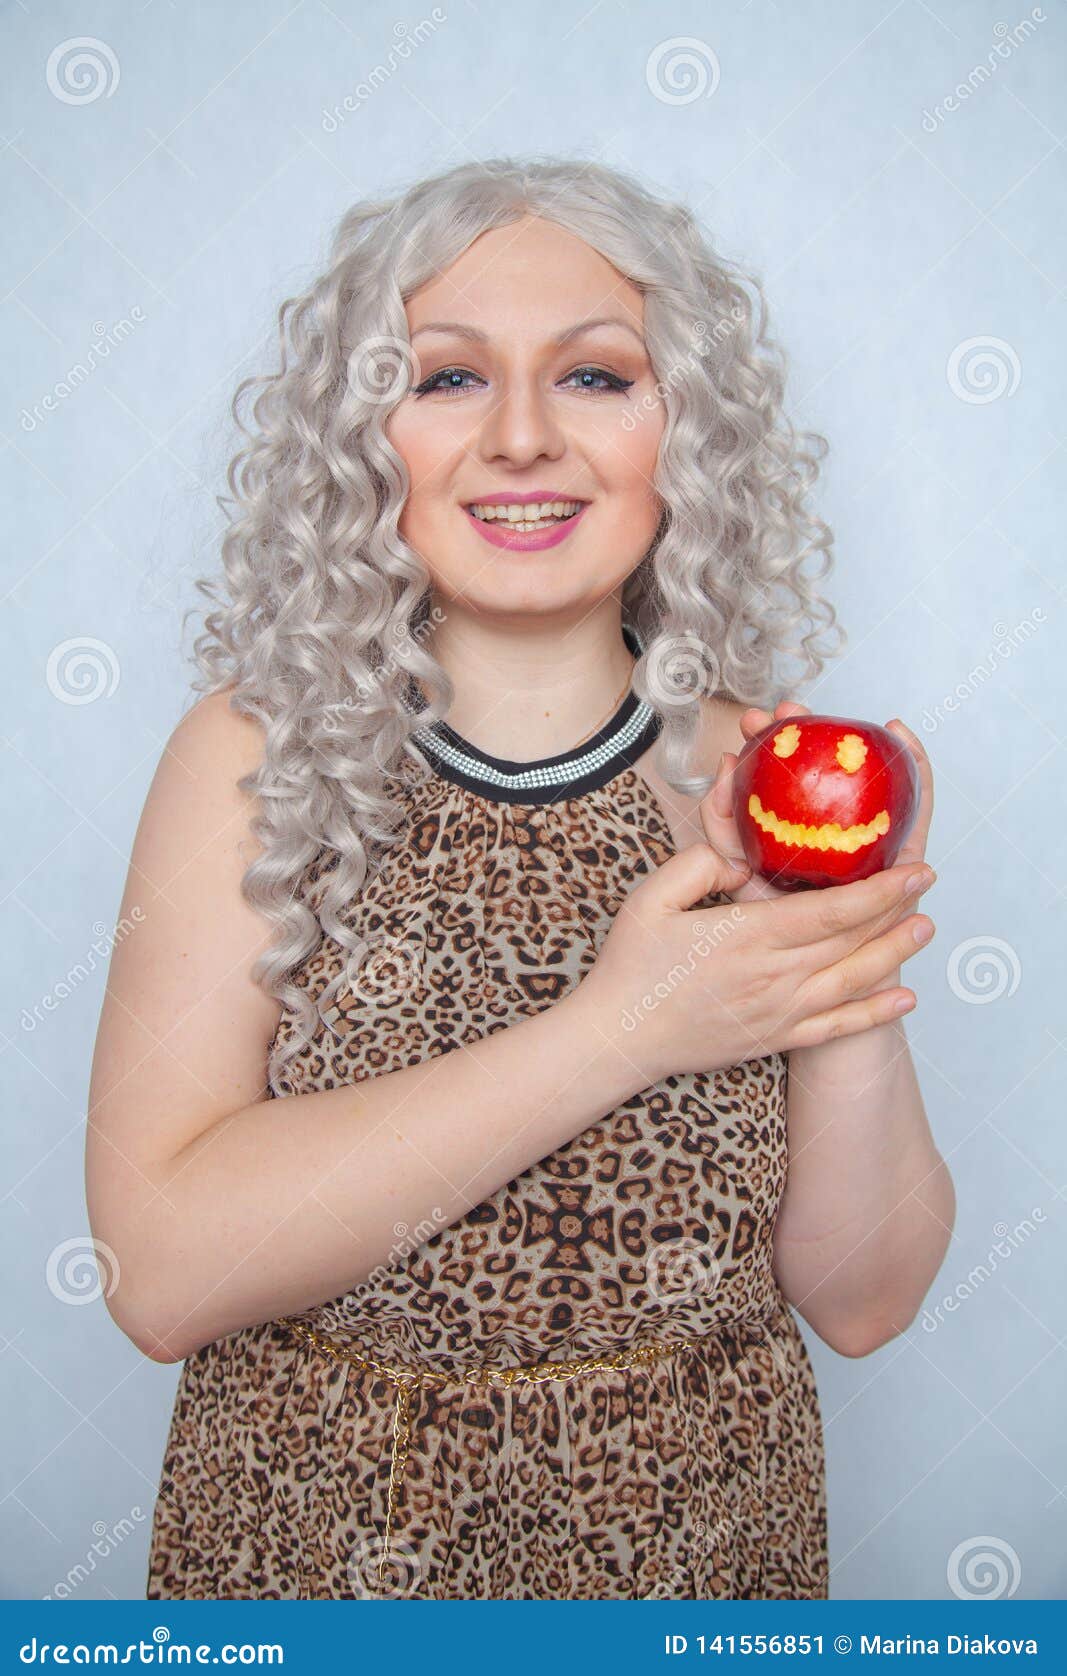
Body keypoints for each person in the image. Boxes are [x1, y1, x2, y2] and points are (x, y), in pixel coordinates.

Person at [86, 156, 952, 1601]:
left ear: (686, 433)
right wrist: (625, 1027)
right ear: (363, 438)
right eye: (447, 379)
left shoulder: (761, 777)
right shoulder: (254, 756)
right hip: (318, 1572)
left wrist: (840, 965)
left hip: (697, 1574)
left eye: (599, 378)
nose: (525, 438)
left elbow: (864, 1301)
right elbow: (162, 1273)